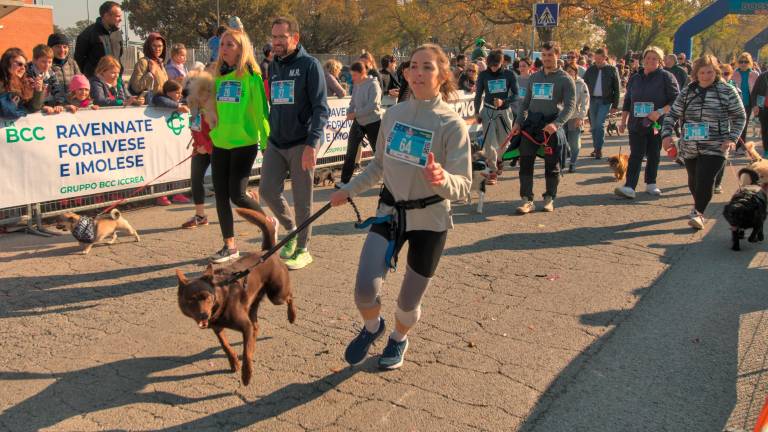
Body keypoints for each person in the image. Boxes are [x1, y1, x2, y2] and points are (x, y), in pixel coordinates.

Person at [329, 43, 471, 371]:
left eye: (428, 67)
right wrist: (347, 189)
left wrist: (441, 179)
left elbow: (463, 186)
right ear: (405, 73)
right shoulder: (392, 115)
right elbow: (378, 166)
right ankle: (372, 327)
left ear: (442, 75)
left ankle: (398, 337)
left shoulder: (452, 125)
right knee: (365, 291)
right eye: (414, 67)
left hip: (431, 220)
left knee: (408, 304)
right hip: (390, 212)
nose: (419, 73)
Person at [259, 16, 329, 270]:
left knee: (302, 199)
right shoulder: (273, 65)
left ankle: (303, 248)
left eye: (281, 37)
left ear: (295, 38)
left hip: (302, 141)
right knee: (266, 190)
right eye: (273, 37)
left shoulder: (310, 65)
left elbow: (322, 108)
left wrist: (312, 144)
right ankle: (289, 230)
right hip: (277, 141)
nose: (275, 42)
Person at [206, 28, 272, 263]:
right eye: (222, 44)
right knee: (221, 196)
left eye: (230, 44)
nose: (223, 49)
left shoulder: (251, 76)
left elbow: (261, 112)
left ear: (241, 48)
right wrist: (209, 132)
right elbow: (209, 106)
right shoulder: (215, 74)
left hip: (244, 143)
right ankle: (229, 245)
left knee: (237, 194)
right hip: (220, 143)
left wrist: (266, 143)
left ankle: (268, 224)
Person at [662, 55, 745, 229]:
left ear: (716, 72)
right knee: (694, 181)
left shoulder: (727, 91)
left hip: (717, 145)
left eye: (709, 72)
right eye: (702, 72)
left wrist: (732, 138)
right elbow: (672, 115)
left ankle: (698, 213)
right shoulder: (688, 91)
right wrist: (666, 135)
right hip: (690, 145)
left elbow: (740, 117)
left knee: (705, 178)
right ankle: (698, 206)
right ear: (696, 74)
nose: (706, 76)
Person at [511, 41, 575, 214]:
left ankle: (549, 198)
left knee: (552, 165)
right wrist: (518, 122)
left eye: (550, 55)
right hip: (531, 125)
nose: (546, 58)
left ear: (557, 55)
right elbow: (524, 104)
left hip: (551, 126)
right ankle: (526, 199)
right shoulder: (534, 77)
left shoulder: (565, 80)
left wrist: (556, 124)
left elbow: (570, 107)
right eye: (544, 55)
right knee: (525, 162)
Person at [615, 46, 679, 199]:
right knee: (636, 154)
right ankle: (630, 186)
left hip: (657, 123)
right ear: (643, 59)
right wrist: (623, 121)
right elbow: (628, 101)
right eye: (648, 58)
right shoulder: (635, 78)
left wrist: (660, 112)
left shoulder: (666, 77)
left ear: (660, 61)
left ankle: (651, 183)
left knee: (654, 154)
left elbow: (676, 100)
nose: (650, 61)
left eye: (654, 58)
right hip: (636, 123)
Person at [474, 49, 518, 183]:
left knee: (505, 141)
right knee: (489, 143)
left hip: (504, 111)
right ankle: (492, 171)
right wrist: (477, 112)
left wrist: (503, 101)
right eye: (490, 64)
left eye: (496, 64)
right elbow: (478, 95)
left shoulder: (509, 75)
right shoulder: (483, 75)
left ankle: (499, 159)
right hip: (488, 111)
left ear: (502, 62)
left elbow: (516, 95)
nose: (493, 67)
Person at [181, 70, 216, 229]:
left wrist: (208, 147)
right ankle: (200, 215)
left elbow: (219, 131)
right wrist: (198, 147)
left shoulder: (214, 104)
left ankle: (249, 197)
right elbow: (195, 129)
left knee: (229, 186)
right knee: (196, 179)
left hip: (217, 148)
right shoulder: (193, 106)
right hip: (200, 149)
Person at [339, 61, 382, 185]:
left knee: (378, 151)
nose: (352, 79)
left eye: (354, 75)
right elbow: (353, 102)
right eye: (351, 75)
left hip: (373, 122)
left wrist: (355, 114)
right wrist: (349, 112)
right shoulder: (357, 85)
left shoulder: (373, 85)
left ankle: (386, 176)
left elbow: (373, 106)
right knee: (351, 150)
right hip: (359, 122)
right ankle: (344, 181)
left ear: (363, 73)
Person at [583, 48, 620, 160]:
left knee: (599, 124)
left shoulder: (612, 69)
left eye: (600, 59)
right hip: (592, 100)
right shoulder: (590, 70)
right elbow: (583, 84)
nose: (597, 61)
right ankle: (596, 148)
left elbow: (617, 88)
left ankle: (599, 149)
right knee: (594, 126)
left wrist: (615, 105)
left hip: (605, 101)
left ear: (605, 58)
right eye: (596, 58)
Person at [74, 1, 123, 78]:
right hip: (95, 83)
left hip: (115, 81)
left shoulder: (117, 34)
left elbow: (119, 57)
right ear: (106, 16)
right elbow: (79, 60)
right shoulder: (88, 34)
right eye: (118, 16)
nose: (121, 19)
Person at [0, 48, 44, 115]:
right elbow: (6, 112)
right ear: (7, 63)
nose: (23, 68)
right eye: (20, 64)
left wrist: (38, 91)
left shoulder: (25, 83)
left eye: (25, 66)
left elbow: (32, 108)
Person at [564, 63, 589, 172]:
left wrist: (581, 117)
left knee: (574, 144)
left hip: (575, 117)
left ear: (575, 72)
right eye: (567, 71)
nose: (569, 73)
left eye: (571, 71)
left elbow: (585, 102)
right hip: (561, 117)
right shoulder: (562, 82)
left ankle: (573, 162)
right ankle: (561, 162)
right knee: (562, 142)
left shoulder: (581, 84)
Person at [129, 32, 168, 100]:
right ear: (149, 46)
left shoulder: (160, 63)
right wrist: (150, 73)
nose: (157, 49)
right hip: (147, 105)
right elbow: (136, 87)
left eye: (160, 46)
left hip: (160, 104)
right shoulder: (143, 62)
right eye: (154, 46)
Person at [732, 52, 759, 146]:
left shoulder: (755, 74)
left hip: (748, 103)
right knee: (735, 125)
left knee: (744, 124)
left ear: (750, 62)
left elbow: (758, 90)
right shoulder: (733, 73)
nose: (743, 64)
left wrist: (757, 105)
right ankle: (736, 144)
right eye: (741, 61)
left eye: (746, 61)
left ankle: (740, 146)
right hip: (735, 103)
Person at [27, 44, 63, 113]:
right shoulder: (28, 74)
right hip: (33, 107)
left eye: (50, 62)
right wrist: (42, 106)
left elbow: (57, 89)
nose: (47, 65)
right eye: (43, 61)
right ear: (34, 60)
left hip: (48, 104)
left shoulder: (51, 73)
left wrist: (59, 103)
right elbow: (29, 96)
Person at [48, 33, 81, 104]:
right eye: (58, 47)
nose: (62, 50)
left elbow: (81, 84)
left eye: (65, 47)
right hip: (54, 107)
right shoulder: (47, 65)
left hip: (72, 105)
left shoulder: (72, 63)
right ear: (50, 48)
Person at [750, 63, 768, 157]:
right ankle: (766, 151)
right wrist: (755, 105)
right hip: (763, 108)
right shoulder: (762, 76)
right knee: (765, 130)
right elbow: (754, 93)